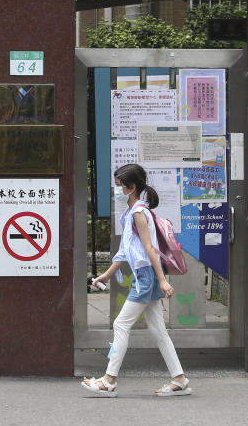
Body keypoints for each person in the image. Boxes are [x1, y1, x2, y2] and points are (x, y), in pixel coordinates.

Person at [80, 163, 192, 398]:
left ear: (131, 187)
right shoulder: (131, 213)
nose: (118, 190)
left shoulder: (139, 213)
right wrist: (107, 275)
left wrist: (162, 280)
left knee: (121, 325)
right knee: (158, 330)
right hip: (146, 276)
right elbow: (125, 250)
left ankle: (109, 381)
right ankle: (180, 380)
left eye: (120, 186)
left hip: (146, 277)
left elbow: (150, 249)